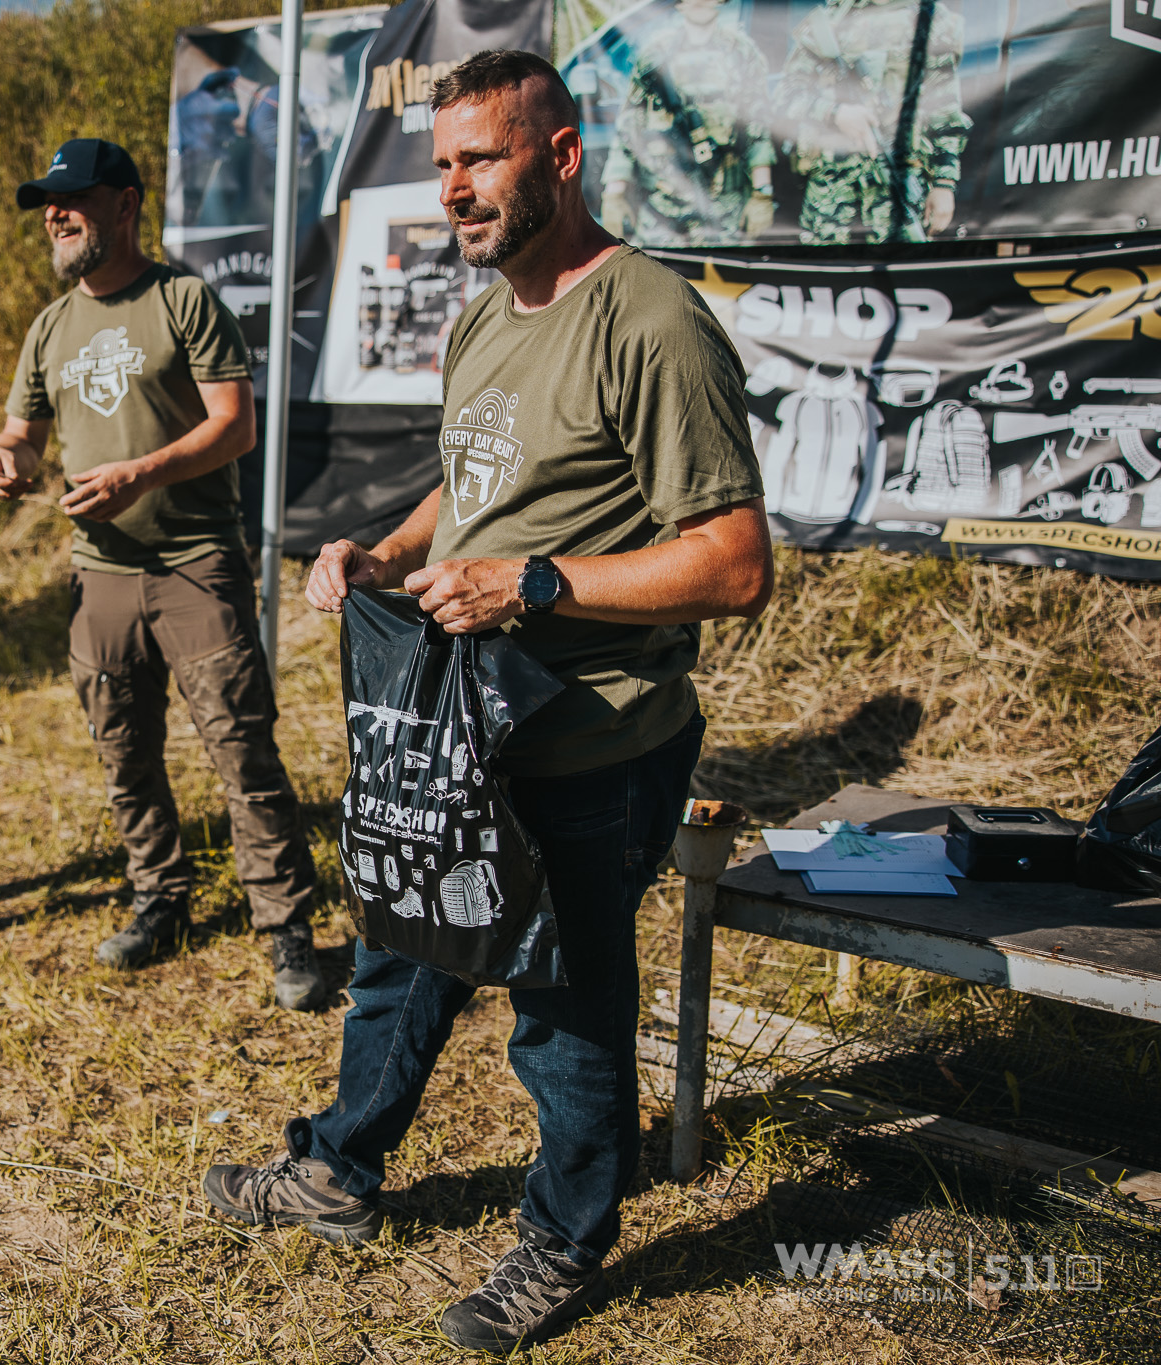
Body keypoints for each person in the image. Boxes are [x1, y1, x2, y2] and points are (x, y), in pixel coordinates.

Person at [201, 52, 773, 1353]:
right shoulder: (483, 317)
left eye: (485, 158)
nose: (455, 188)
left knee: (562, 1006)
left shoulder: (651, 320)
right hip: (467, 730)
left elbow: (737, 564)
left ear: (560, 157)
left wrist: (540, 584)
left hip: (595, 739)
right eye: (443, 163)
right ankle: (338, 1171)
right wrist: (384, 554)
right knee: (401, 951)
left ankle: (567, 1240)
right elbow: (477, 492)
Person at [0, 138, 329, 1012]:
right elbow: (21, 428)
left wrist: (138, 473)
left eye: (73, 199)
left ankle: (287, 926)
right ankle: (159, 900)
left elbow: (233, 426)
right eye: (47, 204)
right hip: (100, 574)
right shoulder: (51, 325)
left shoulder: (182, 300)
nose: (55, 216)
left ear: (126, 205)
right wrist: (7, 456)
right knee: (124, 754)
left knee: (241, 747)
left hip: (195, 562)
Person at [780, 0, 969, 244]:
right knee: (827, 275)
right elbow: (786, 95)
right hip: (832, 190)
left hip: (899, 187)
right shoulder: (829, 21)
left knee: (905, 274)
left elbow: (944, 110)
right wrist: (834, 112)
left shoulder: (930, 19)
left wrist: (944, 184)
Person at [597, 0, 775, 244]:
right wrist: (614, 195)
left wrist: (762, 194)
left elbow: (759, 129)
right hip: (663, 211)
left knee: (726, 280)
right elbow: (629, 127)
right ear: (679, 4)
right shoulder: (653, 56)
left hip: (724, 208)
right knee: (654, 279)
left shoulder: (742, 53)